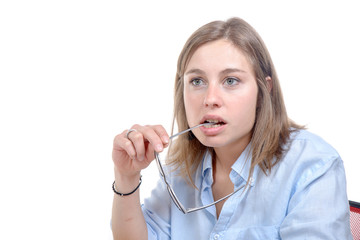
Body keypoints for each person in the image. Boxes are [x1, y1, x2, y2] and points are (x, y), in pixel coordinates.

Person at [111, 17, 352, 240]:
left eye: (231, 81)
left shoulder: (313, 164)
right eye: (197, 81)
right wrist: (126, 176)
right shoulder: (180, 170)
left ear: (263, 91)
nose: (210, 98)